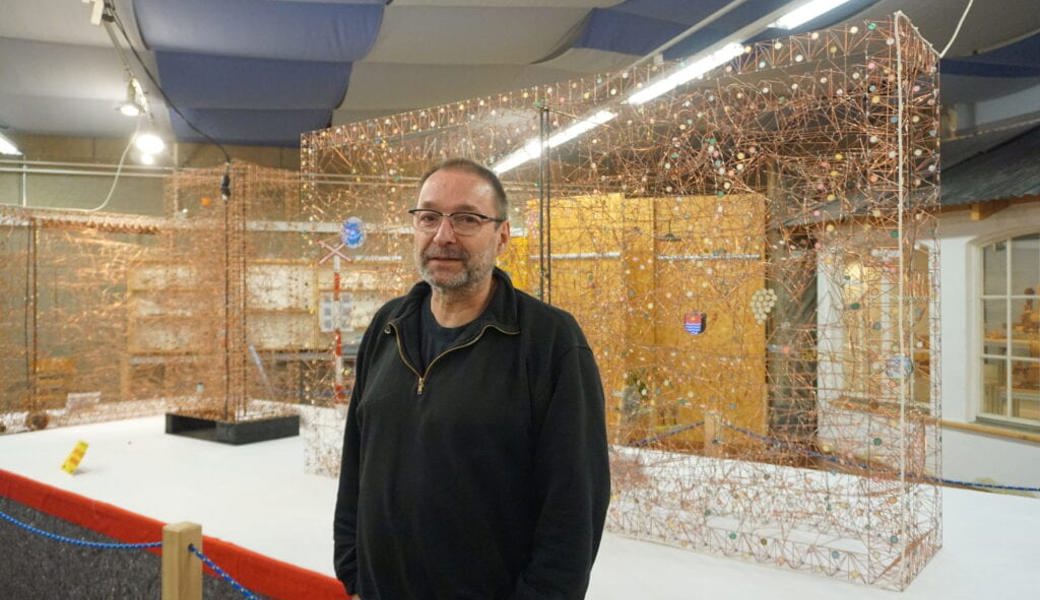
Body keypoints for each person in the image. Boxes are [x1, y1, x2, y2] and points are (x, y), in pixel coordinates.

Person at [333, 158, 611, 599]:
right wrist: (352, 570)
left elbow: (574, 506)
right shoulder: (389, 326)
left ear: (502, 234)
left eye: (466, 219)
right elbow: (356, 461)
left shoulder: (549, 342)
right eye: (428, 217)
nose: (443, 236)